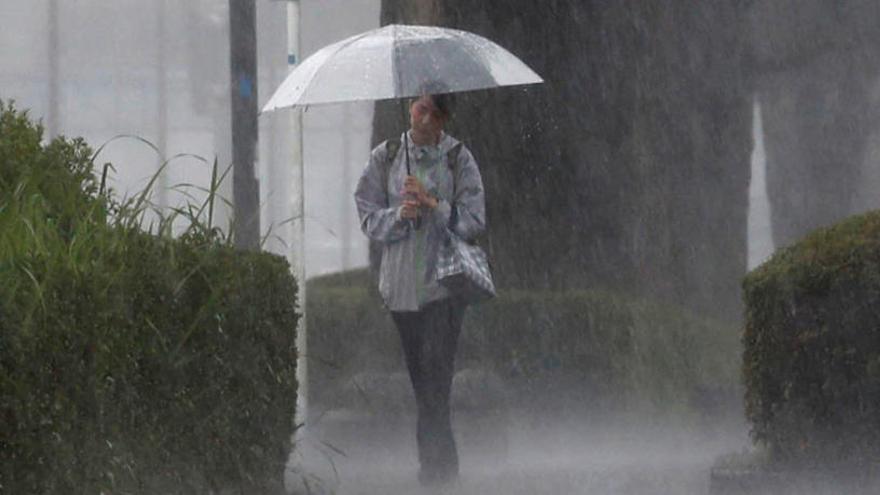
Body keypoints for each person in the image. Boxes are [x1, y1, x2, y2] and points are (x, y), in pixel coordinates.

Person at [354, 92, 486, 486]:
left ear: (445, 118)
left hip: (444, 286)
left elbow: (474, 219)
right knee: (422, 379)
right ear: (410, 107)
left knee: (436, 374)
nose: (425, 119)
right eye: (420, 108)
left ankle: (437, 468)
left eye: (435, 112)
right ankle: (439, 463)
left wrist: (434, 205)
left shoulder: (458, 158)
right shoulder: (387, 155)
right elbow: (366, 212)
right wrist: (399, 216)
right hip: (401, 289)